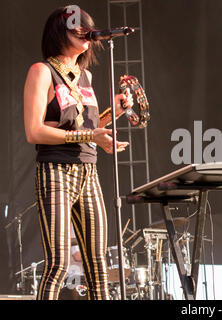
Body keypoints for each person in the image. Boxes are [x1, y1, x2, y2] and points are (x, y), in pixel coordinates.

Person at [23, 6, 133, 300]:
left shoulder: (86, 77)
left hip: (88, 170)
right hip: (55, 170)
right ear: (60, 31)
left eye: (88, 27)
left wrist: (114, 113)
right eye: (78, 27)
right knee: (59, 263)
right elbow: (34, 131)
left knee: (98, 263)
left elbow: (88, 125)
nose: (86, 32)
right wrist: (90, 135)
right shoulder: (41, 72)